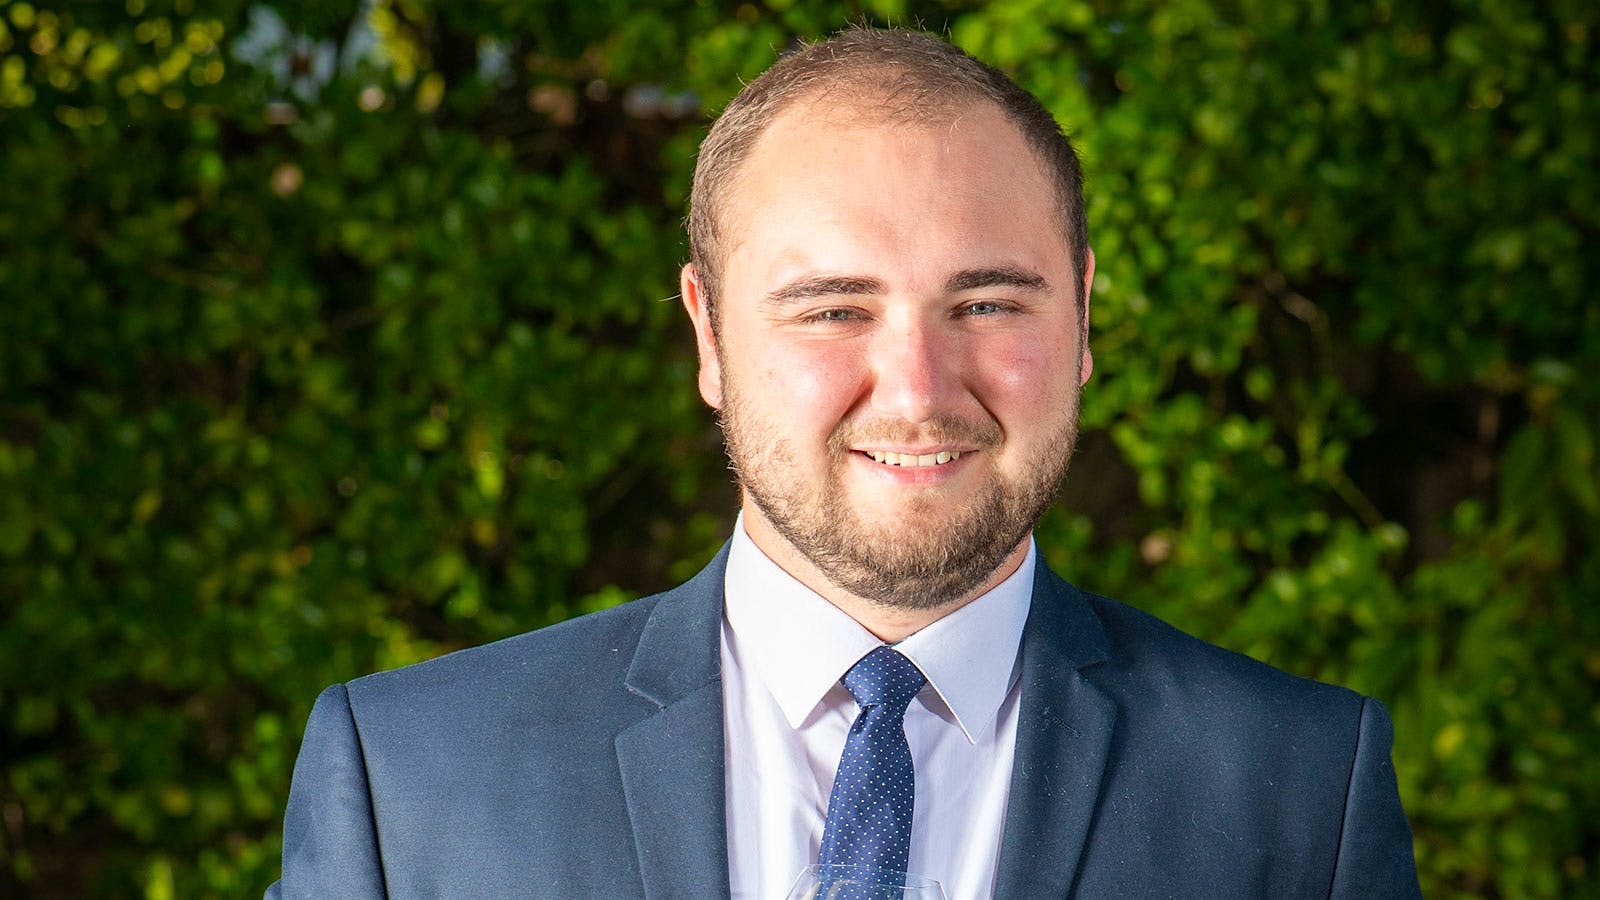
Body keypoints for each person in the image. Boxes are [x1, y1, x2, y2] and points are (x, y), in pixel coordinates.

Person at [267, 28, 1421, 899]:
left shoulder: (1301, 787)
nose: (917, 389)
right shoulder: (411, 781)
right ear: (709, 334)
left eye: (985, 300)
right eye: (832, 310)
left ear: (1082, 325)